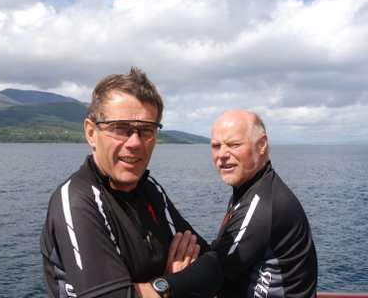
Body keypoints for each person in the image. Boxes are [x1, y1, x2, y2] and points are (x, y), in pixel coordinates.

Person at [40, 67, 209, 298]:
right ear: (91, 133)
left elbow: (211, 262)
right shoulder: (76, 202)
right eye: (120, 128)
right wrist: (171, 283)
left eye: (146, 130)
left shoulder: (151, 190)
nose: (135, 143)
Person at [136, 110, 318, 298]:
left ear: (261, 144)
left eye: (234, 145)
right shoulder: (253, 189)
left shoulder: (262, 205)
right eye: (216, 146)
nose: (222, 154)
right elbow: (220, 254)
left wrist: (159, 287)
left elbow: (217, 269)